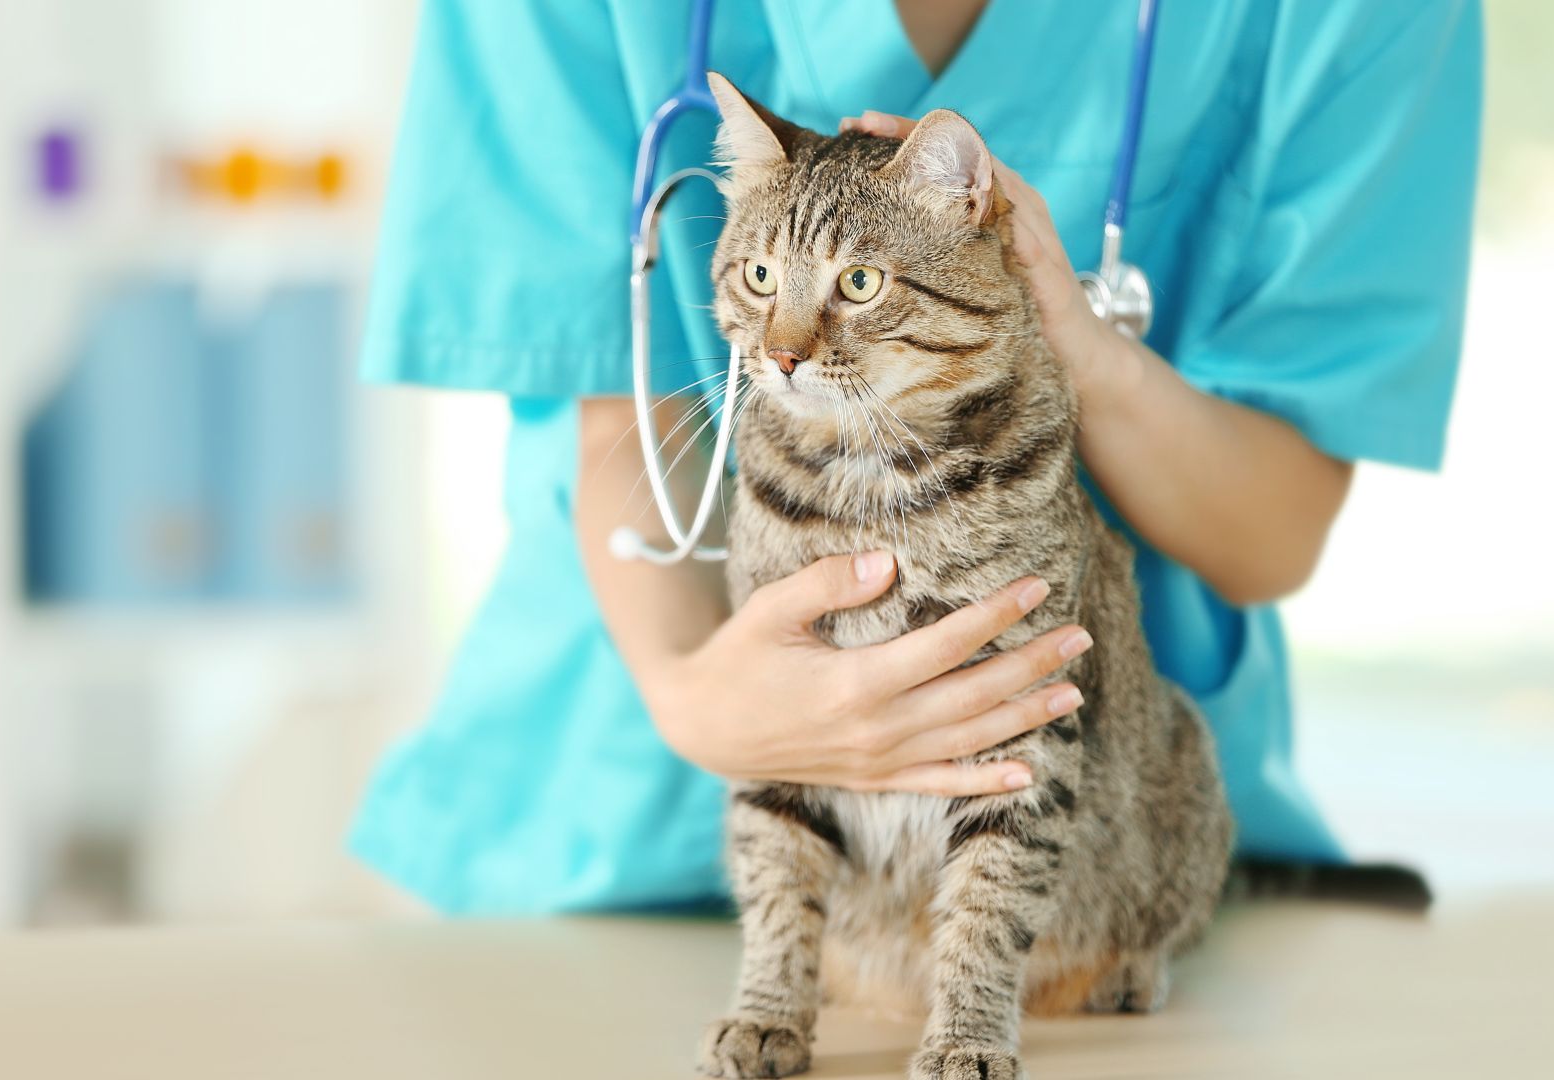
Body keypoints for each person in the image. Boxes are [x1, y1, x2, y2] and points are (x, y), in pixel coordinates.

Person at [349, 0, 1482, 914]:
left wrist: (1070, 344)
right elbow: (615, 406)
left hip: (1069, 857)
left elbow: (1274, 528)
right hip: (611, 833)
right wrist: (695, 698)